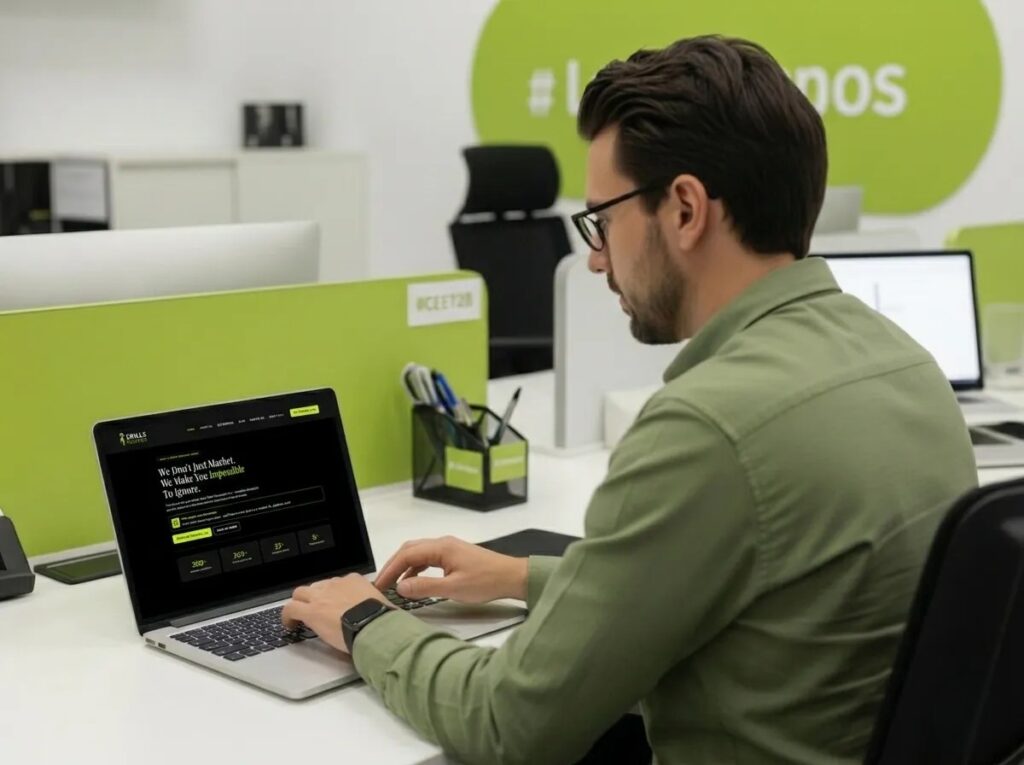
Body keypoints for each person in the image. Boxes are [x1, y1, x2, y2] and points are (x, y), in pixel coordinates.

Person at [281, 36, 977, 764]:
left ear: (683, 210)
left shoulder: (708, 427)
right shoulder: (905, 362)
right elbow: (753, 584)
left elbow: (508, 723)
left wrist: (364, 619)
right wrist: (526, 577)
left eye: (603, 219)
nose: (594, 256)